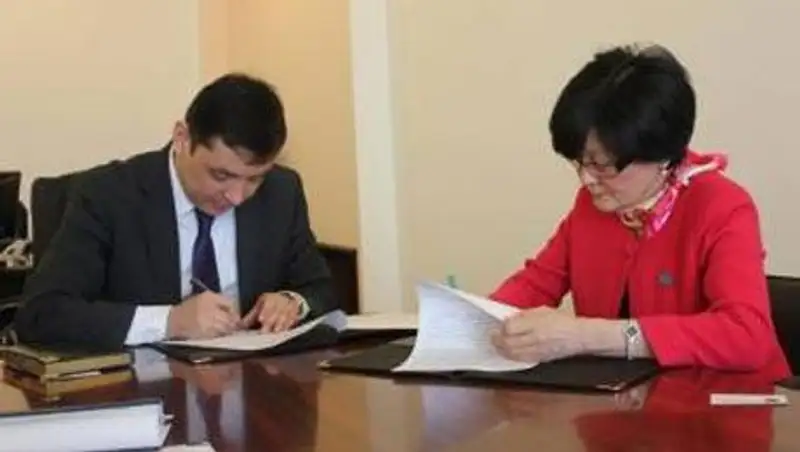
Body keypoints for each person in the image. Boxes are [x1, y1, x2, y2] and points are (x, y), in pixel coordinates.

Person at [489, 44, 790, 382]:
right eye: (579, 161)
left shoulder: (722, 206)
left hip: (728, 403)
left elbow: (746, 336)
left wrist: (586, 336)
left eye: (602, 164)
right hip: (627, 404)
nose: (586, 179)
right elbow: (536, 283)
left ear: (662, 156)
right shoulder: (593, 205)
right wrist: (470, 321)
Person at [14, 73, 336, 351]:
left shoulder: (281, 191)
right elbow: (42, 313)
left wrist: (292, 302)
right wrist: (169, 321)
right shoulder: (107, 196)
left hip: (252, 386)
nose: (237, 197)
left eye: (254, 179)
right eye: (221, 175)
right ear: (182, 138)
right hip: (141, 390)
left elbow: (320, 287)